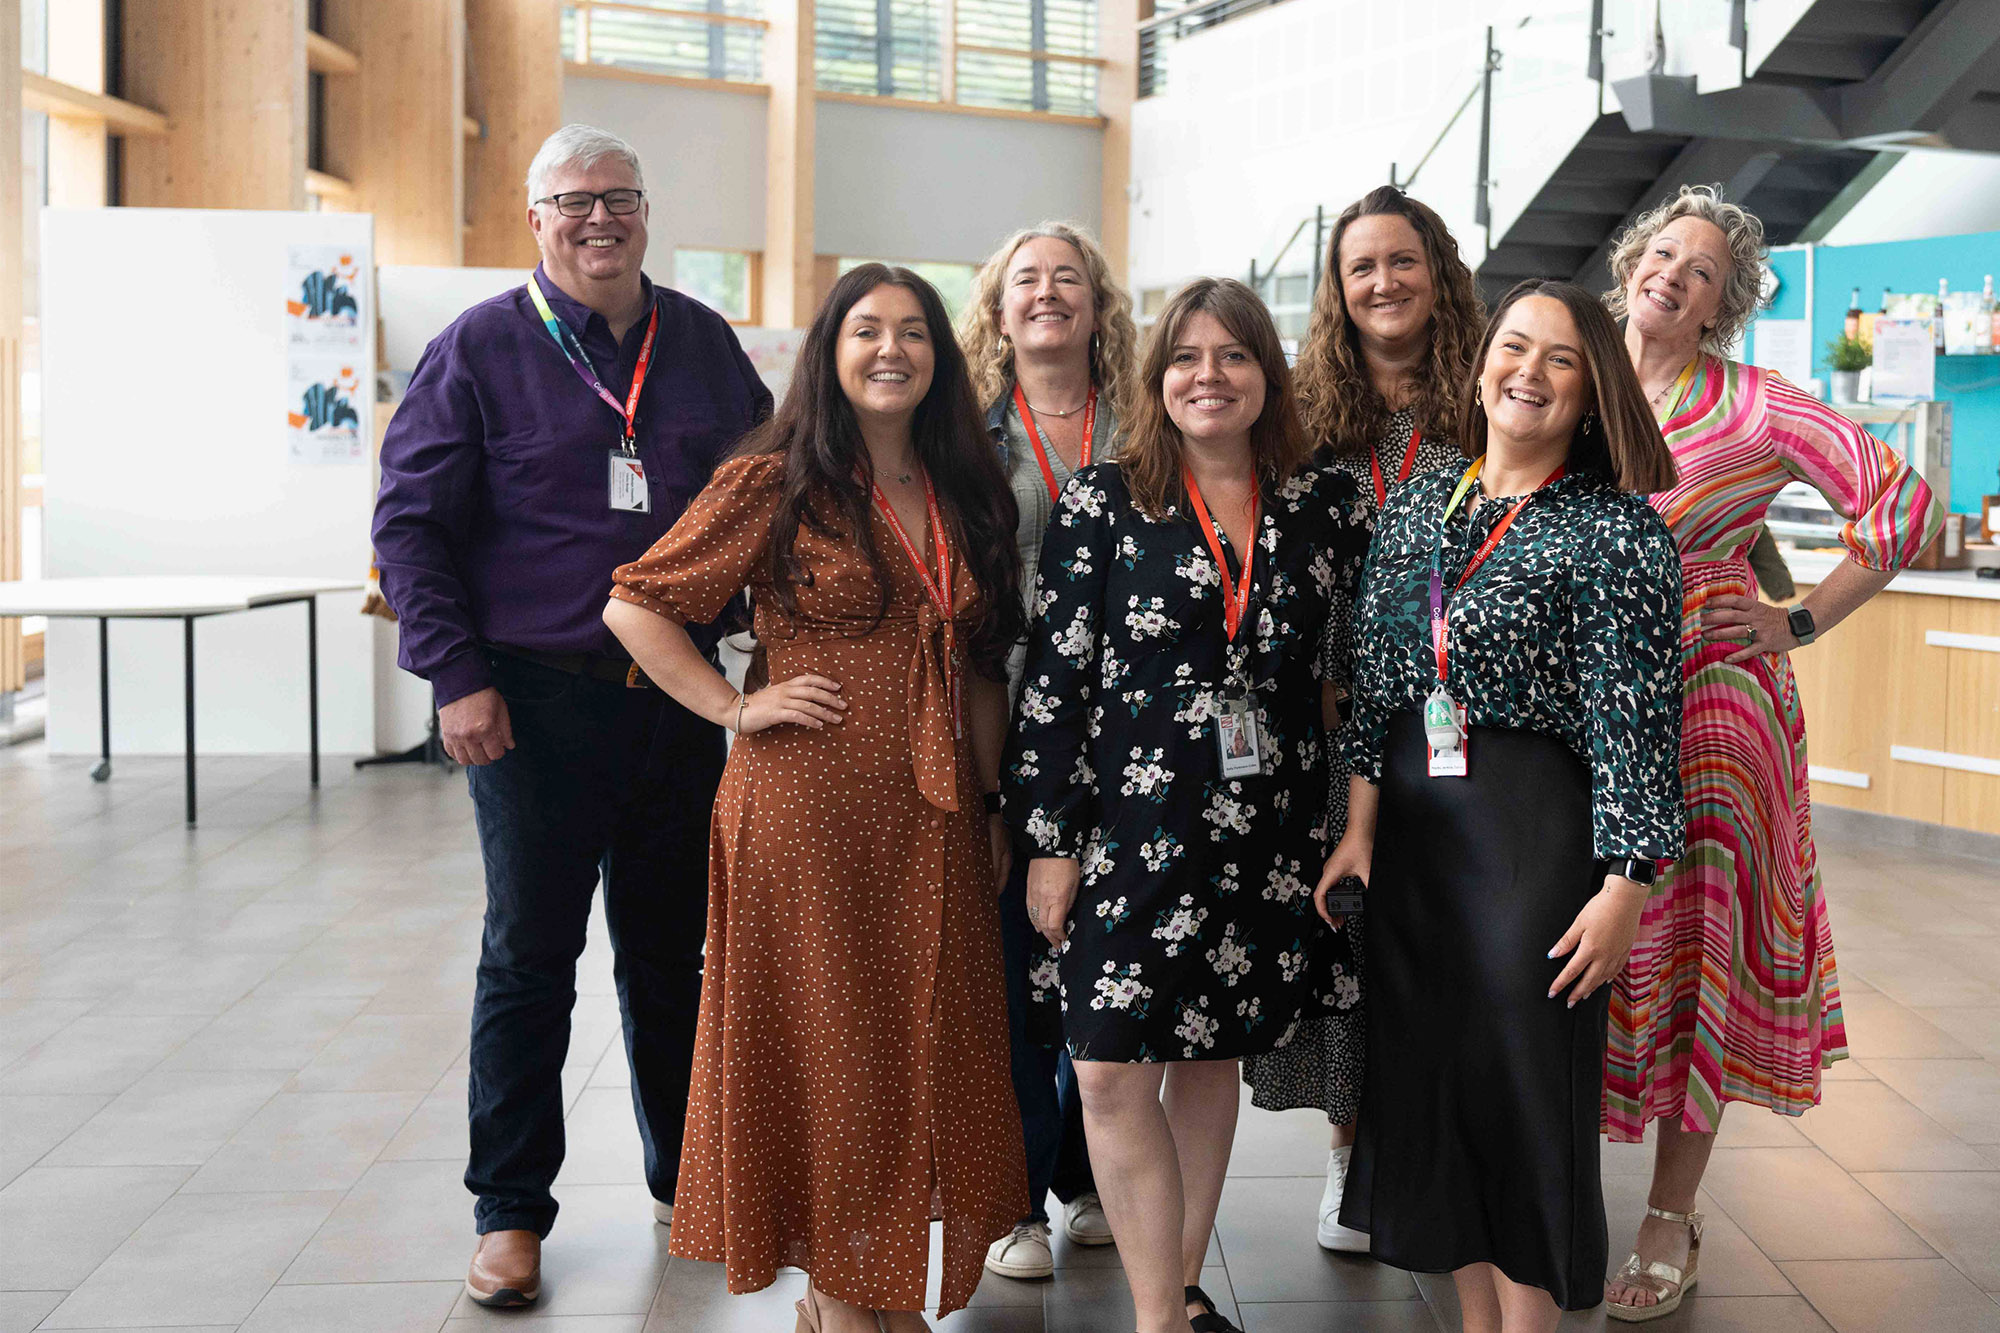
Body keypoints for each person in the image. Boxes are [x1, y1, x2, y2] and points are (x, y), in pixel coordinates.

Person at [370, 124, 771, 1308]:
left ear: (646, 212)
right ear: (533, 217)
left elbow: (761, 498)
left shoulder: (700, 345)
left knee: (670, 954)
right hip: (531, 704)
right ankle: (509, 1213)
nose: (601, 218)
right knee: (529, 957)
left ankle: (681, 1174)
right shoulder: (480, 348)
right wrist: (454, 676)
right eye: (574, 200)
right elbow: (410, 526)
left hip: (679, 700)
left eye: (621, 198)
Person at [603, 265, 1029, 1332]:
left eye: (913, 334)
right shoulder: (778, 479)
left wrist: (987, 813)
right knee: (830, 1049)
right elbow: (636, 606)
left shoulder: (965, 485)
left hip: (932, 816)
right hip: (807, 811)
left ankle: (864, 1286)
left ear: (939, 355)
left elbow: (978, 669)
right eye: (865, 332)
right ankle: (846, 1300)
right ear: (829, 355)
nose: (891, 350)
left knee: (915, 1048)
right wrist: (733, 710)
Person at [1600, 185, 1942, 1322]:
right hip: (1566, 711)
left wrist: (1793, 620)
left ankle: (1666, 1211)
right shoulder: (1569, 367)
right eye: (1662, 252)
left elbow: (1897, 506)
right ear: (1629, 263)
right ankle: (1543, 1179)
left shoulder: (1754, 407)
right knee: (1572, 940)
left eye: (1699, 271)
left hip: (1709, 709)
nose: (1672, 275)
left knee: (1698, 950)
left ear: (1721, 305)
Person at [1005, 277, 1371, 1333]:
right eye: (1184, 359)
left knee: (1209, 1055)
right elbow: (1054, 684)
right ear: (1154, 378)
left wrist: (1351, 823)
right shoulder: (1103, 498)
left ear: (1268, 374)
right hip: (1125, 828)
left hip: (1269, 829)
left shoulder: (1324, 504)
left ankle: (1168, 1304)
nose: (1206, 377)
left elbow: (1357, 676)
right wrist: (1047, 842)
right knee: (1109, 1065)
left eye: (1232, 356)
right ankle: (1163, 1311)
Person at [1322, 280, 1685, 1332]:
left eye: (1558, 359)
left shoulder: (1613, 528)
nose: (1526, 371)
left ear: (1590, 392)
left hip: (1528, 844)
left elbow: (1634, 721)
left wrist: (1624, 885)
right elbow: (1376, 677)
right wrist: (1356, 827)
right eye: (1512, 346)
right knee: (1437, 1102)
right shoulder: (1424, 500)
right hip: (1416, 850)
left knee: (1523, 1106)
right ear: (1479, 363)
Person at [1238, 184, 1482, 1253]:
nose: (1382, 282)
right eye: (1359, 268)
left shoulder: (1489, 396)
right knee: (1344, 934)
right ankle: (1347, 1162)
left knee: (1453, 931)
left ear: (1437, 271)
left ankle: (1445, 1150)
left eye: (1401, 260)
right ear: (1336, 292)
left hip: (1464, 717)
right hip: (1330, 718)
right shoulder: (1297, 415)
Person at [958, 220, 1142, 1278]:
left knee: (1103, 960)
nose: (1044, 293)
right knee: (1008, 965)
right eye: (1024, 278)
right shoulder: (968, 432)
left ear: (1095, 304)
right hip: (1000, 717)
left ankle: (1083, 1175)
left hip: (1125, 734)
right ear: (998, 305)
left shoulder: (1141, 420)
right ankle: (1015, 1198)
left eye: (1065, 278)